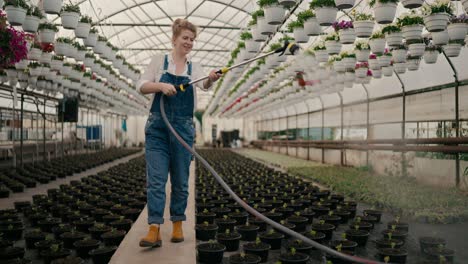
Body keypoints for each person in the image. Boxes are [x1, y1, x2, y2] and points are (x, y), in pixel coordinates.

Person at [136, 18, 221, 248]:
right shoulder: (159, 62)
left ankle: (177, 224)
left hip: (183, 129)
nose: (189, 42)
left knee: (181, 181)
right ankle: (154, 228)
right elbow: (141, 85)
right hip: (158, 130)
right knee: (156, 181)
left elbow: (204, 84)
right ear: (174, 39)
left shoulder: (195, 68)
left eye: (192, 40)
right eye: (185, 38)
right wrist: (160, 86)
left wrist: (212, 79)